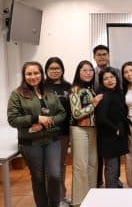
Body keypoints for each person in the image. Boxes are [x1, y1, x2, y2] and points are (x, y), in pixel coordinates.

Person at [7, 61, 66, 207]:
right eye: (29, 73)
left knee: (54, 175)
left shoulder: (49, 91)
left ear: (41, 74)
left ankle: (54, 204)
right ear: (24, 75)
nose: (33, 76)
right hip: (31, 143)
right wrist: (36, 118)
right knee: (38, 178)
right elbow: (13, 119)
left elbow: (61, 113)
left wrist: (47, 123)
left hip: (52, 139)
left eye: (36, 73)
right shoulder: (17, 94)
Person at [69, 60, 103, 206]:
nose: (88, 72)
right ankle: (78, 201)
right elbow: (76, 113)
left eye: (90, 70)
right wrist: (94, 104)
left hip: (93, 129)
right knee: (80, 166)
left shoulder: (92, 88)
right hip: (79, 130)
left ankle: (91, 197)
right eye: (85, 70)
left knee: (93, 165)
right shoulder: (75, 89)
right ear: (79, 72)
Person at [92, 44, 123, 187]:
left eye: (105, 54)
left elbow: (120, 92)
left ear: (109, 56)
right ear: (94, 57)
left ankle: (114, 181)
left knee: (114, 158)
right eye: (99, 54)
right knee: (100, 156)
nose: (102, 57)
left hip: (115, 119)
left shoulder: (117, 72)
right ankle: (100, 182)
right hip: (98, 120)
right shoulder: (90, 72)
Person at [96, 67, 131, 188]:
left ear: (116, 78)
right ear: (102, 82)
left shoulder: (119, 93)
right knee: (111, 167)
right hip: (108, 136)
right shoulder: (103, 96)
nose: (109, 80)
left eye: (112, 77)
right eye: (106, 78)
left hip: (118, 135)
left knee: (115, 165)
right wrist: (115, 129)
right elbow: (101, 118)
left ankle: (115, 187)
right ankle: (111, 193)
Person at [44, 57, 72, 205]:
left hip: (64, 131)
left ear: (62, 70)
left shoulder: (68, 86)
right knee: (50, 167)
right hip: (46, 132)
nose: (55, 71)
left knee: (61, 164)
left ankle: (62, 195)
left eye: (57, 68)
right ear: (46, 70)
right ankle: (52, 198)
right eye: (51, 69)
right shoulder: (42, 86)